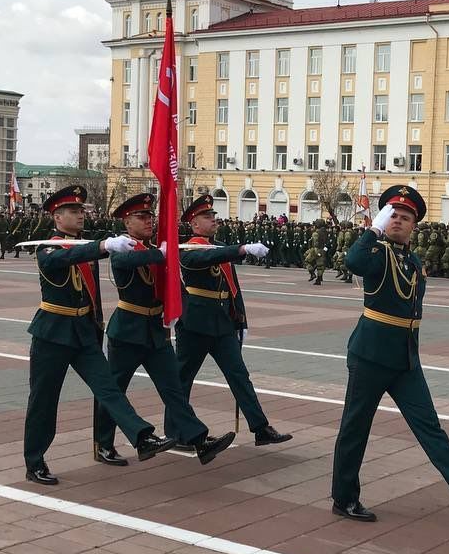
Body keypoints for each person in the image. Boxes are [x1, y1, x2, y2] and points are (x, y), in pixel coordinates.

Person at [331, 185, 449, 522]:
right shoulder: (377, 253)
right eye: (393, 215)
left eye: (405, 217)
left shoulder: (412, 260)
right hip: (370, 355)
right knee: (355, 428)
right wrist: (373, 228)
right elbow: (352, 262)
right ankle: (344, 498)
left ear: (415, 225)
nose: (398, 221)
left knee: (429, 426)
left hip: (405, 359)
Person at [22, 185, 174, 485]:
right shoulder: (48, 248)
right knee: (44, 401)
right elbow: (61, 260)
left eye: (82, 211)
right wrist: (104, 247)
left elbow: (91, 292)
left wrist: (96, 327)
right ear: (57, 216)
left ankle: (142, 438)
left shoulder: (83, 246)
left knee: (109, 390)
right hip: (52, 334)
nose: (80, 216)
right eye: (73, 211)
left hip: (83, 334)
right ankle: (34, 460)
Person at [103, 193, 235, 466]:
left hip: (155, 330)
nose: (149, 220)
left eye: (151, 216)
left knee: (173, 388)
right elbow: (124, 262)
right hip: (127, 330)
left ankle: (199, 440)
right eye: (142, 217)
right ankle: (103, 444)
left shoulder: (153, 247)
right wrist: (162, 253)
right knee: (115, 390)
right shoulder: (123, 247)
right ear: (127, 222)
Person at [173, 195, 292, 446]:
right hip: (195, 324)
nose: (214, 220)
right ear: (194, 224)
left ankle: (260, 428)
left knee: (239, 375)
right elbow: (203, 259)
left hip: (222, 323)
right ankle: (177, 431)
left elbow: (232, 287)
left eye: (214, 216)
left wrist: (241, 321)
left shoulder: (220, 247)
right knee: (182, 379)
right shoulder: (188, 250)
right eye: (207, 217)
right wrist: (241, 249)